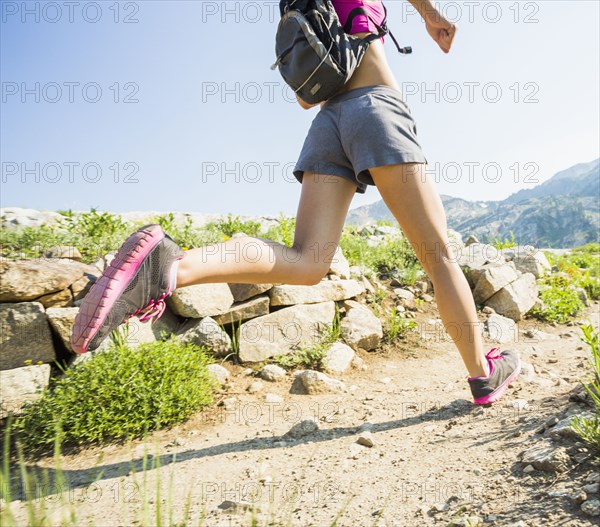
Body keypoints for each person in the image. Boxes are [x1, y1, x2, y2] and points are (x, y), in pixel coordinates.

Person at [71, 0, 520, 405]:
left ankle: (170, 266)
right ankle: (483, 372)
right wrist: (430, 14)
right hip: (377, 108)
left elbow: (306, 95)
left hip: (328, 122)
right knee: (438, 255)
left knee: (308, 261)